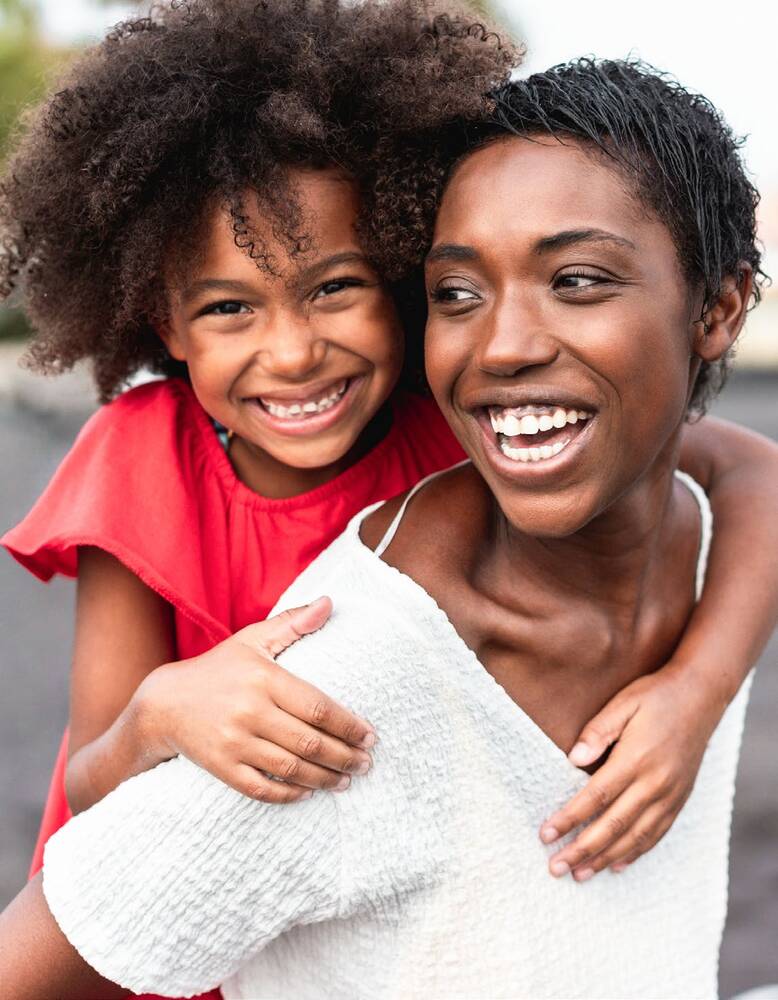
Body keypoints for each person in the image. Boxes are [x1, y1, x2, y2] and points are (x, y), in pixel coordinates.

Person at [0, 57, 776, 1000]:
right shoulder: (146, 460)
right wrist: (160, 714)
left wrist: (695, 692)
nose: (291, 353)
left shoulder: (450, 411)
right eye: (229, 308)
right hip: (172, 874)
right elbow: (93, 788)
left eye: (335, 289)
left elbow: (745, 466)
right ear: (166, 323)